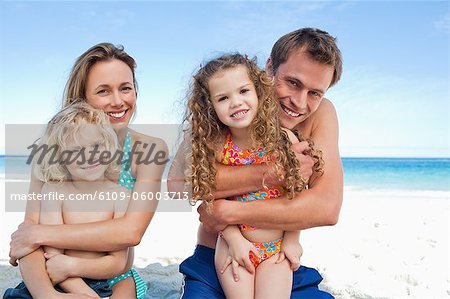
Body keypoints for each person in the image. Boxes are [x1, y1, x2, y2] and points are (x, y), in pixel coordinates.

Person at [174, 28, 343, 298]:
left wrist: (227, 213)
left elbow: (326, 208)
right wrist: (271, 173)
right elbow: (179, 184)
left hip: (277, 258)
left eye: (315, 93)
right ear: (268, 69)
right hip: (218, 256)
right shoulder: (228, 104)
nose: (299, 102)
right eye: (293, 83)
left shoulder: (321, 114)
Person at [7, 43, 168, 299]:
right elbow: (28, 237)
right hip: (53, 271)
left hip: (111, 274)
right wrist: (48, 293)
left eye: (125, 88)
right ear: (81, 99)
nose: (118, 101)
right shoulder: (52, 151)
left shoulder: (149, 149)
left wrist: (40, 235)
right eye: (103, 91)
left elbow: (130, 233)